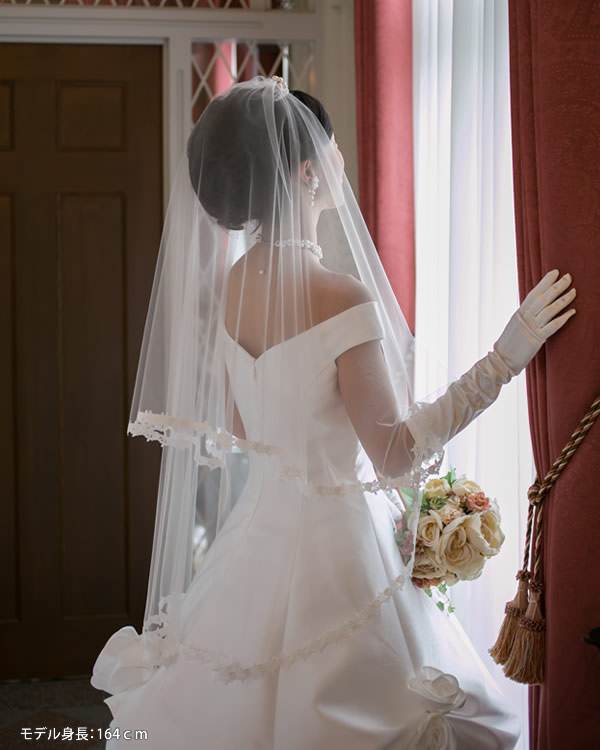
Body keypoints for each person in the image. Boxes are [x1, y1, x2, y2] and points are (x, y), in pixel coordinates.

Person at [90, 76, 576, 749]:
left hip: (253, 543)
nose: (341, 156)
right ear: (307, 170)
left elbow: (246, 428)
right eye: (332, 144)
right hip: (339, 551)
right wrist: (504, 357)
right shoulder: (341, 297)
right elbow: (395, 454)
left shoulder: (234, 285)